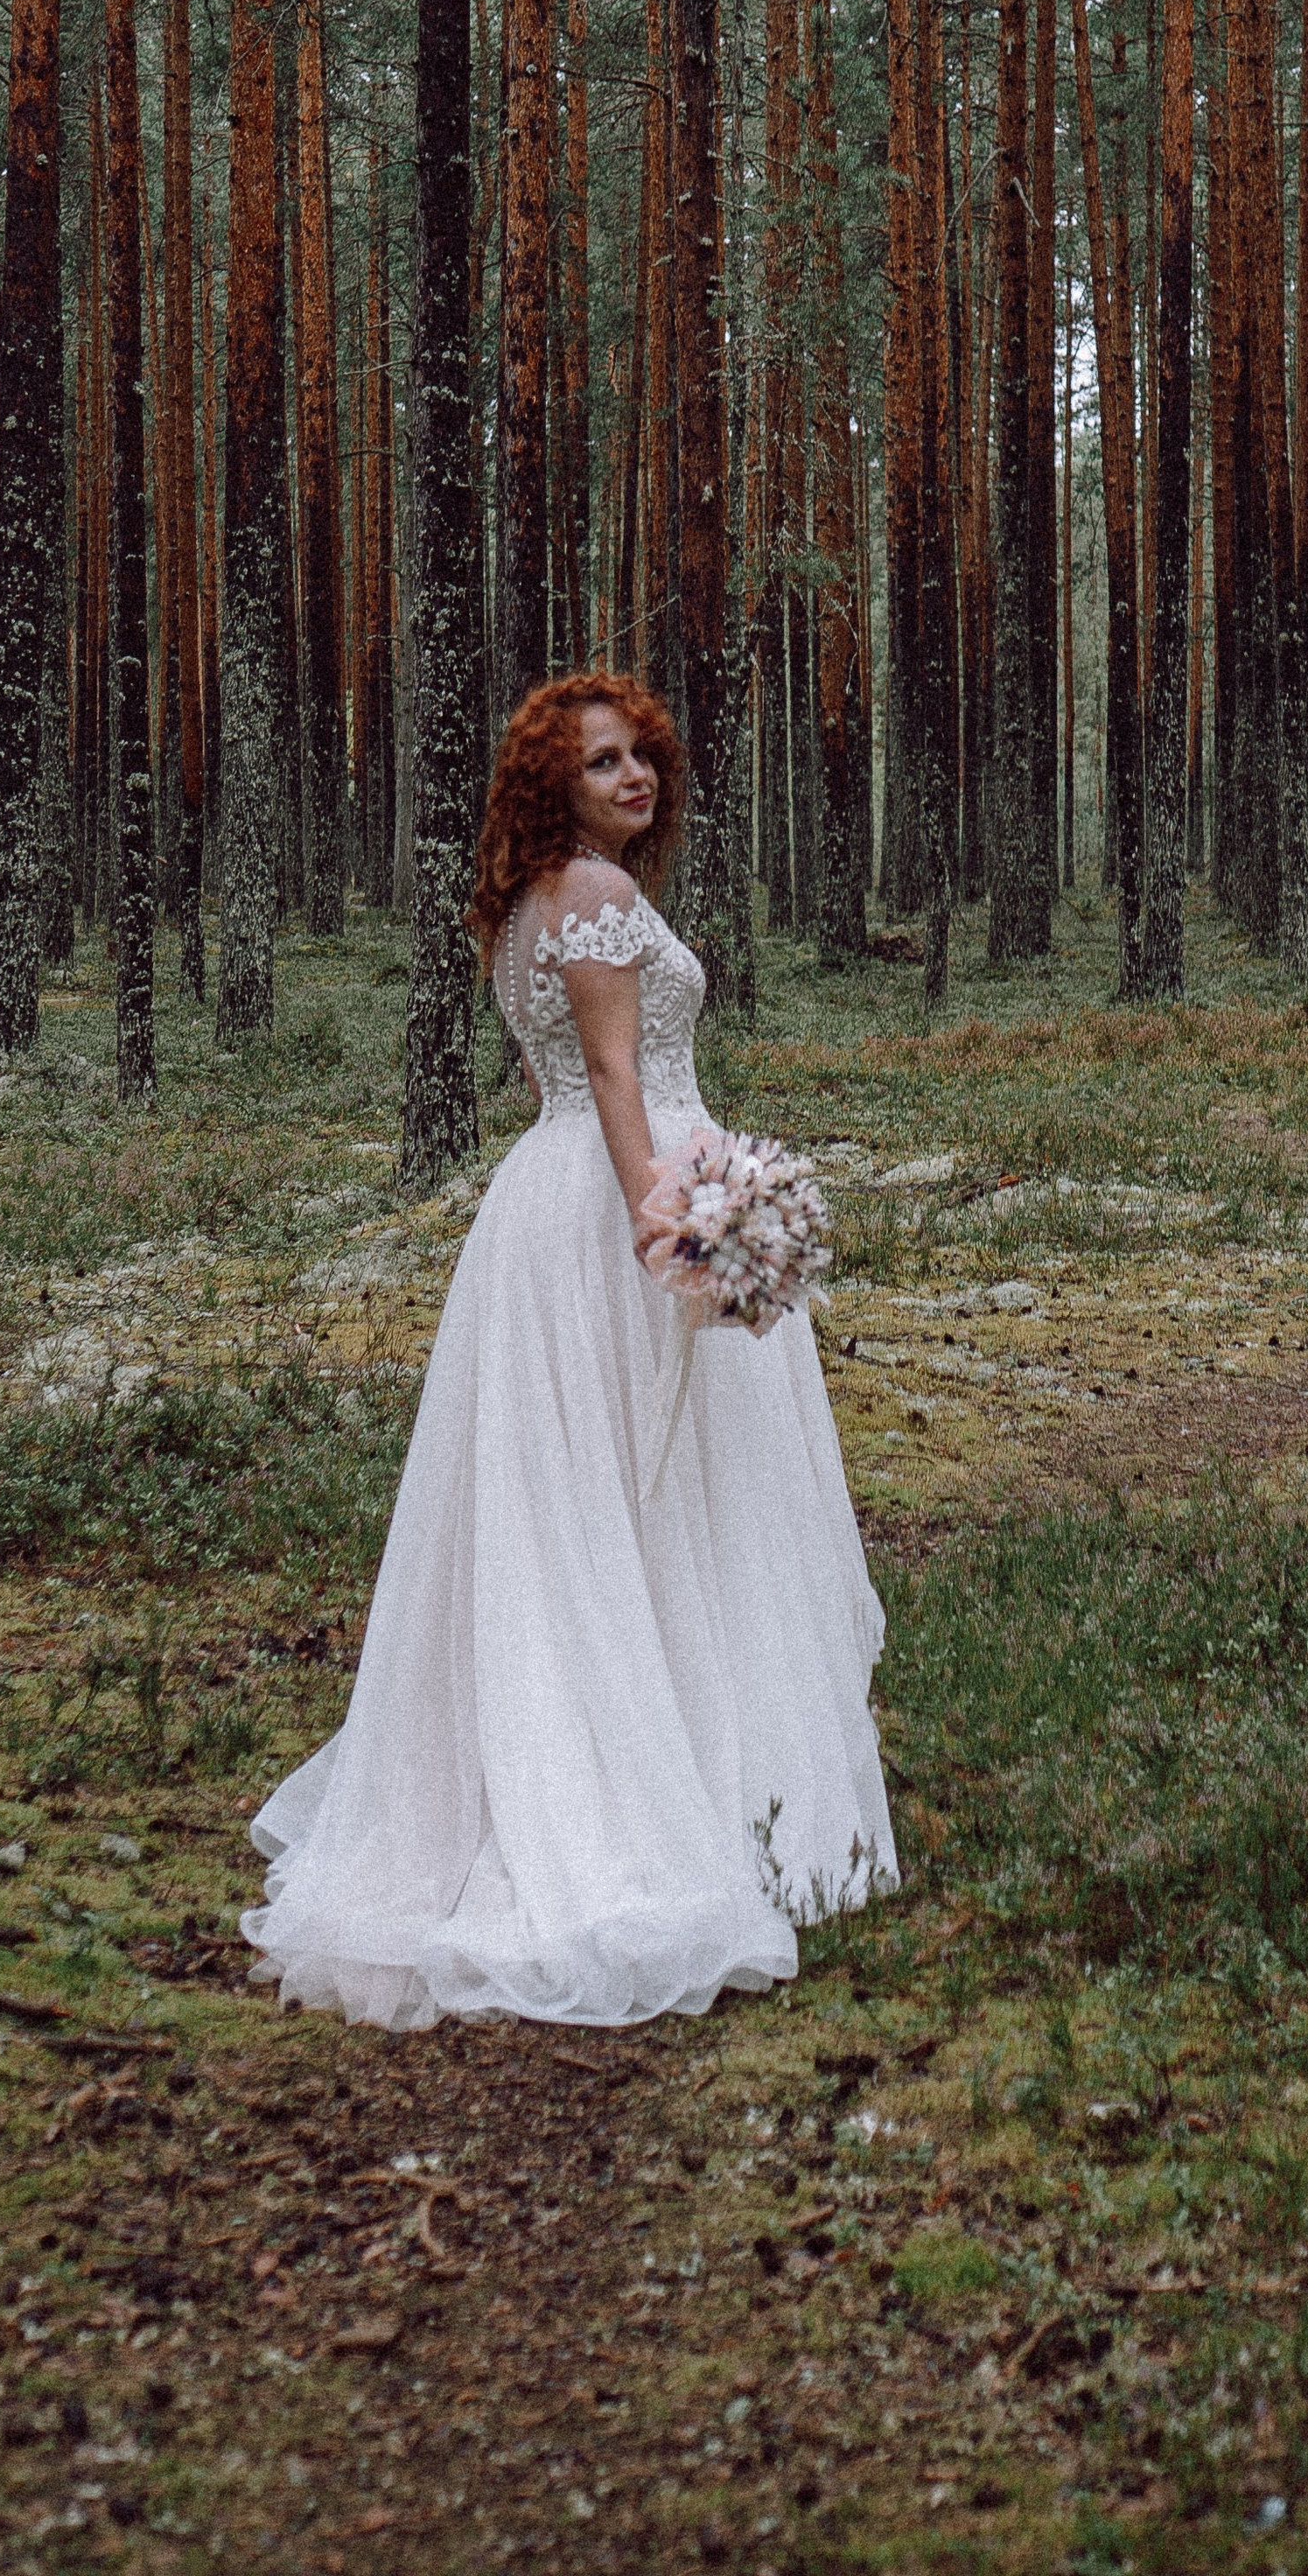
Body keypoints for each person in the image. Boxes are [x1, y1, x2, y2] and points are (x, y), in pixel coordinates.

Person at [241, 671, 895, 2030]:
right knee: (641, 1493)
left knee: (602, 1503)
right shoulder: (591, 901)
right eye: (602, 764)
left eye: (641, 755)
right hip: (614, 1201)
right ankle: (671, 1794)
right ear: (558, 786)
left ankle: (663, 1760)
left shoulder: (542, 899)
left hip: (564, 1208)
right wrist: (678, 1227)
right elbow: (607, 1077)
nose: (633, 778)